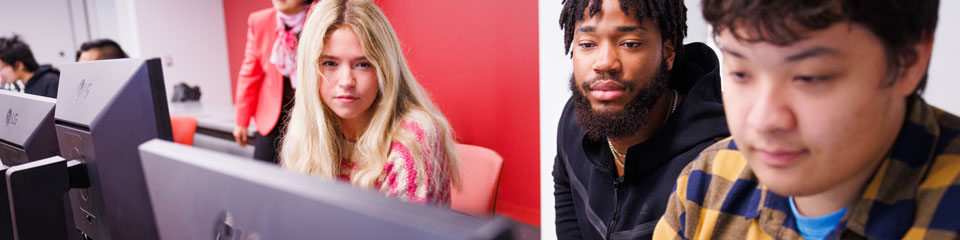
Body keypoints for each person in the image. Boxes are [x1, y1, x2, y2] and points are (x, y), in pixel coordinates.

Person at [655, 0, 959, 239]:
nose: (763, 120)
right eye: (740, 73)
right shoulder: (707, 183)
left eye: (809, 77)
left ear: (907, 61)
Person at [552, 0, 729, 238]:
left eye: (629, 43)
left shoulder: (715, 162)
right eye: (587, 44)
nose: (604, 63)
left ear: (668, 53)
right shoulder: (574, 122)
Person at [279, 0, 461, 205]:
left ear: (385, 69)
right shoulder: (307, 128)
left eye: (363, 64)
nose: (346, 81)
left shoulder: (414, 137)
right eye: (330, 63)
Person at [234, 0, 316, 163]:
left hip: (311, 116)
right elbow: (249, 74)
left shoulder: (319, 18)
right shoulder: (259, 21)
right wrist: (241, 121)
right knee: (263, 176)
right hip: (272, 117)